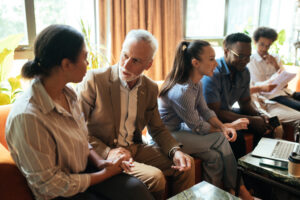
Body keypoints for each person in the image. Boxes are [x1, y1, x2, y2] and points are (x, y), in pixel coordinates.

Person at [5, 24, 153, 200]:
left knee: (137, 190)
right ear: (67, 64)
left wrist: (101, 162)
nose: (88, 64)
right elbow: (50, 186)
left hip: (84, 169)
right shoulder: (28, 117)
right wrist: (106, 174)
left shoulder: (68, 95)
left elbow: (81, 139)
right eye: (84, 58)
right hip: (58, 192)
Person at [77, 29, 194, 199]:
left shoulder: (150, 87)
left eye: (136, 60)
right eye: (125, 55)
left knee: (186, 163)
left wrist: (175, 151)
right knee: (155, 178)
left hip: (136, 148)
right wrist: (108, 152)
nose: (126, 65)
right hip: (104, 152)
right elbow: (76, 128)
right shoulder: (94, 80)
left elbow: (157, 128)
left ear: (148, 65)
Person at [158, 40, 252, 199]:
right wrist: (227, 128)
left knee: (214, 157)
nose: (216, 63)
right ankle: (238, 190)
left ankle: (216, 195)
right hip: (166, 137)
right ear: (195, 63)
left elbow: (206, 111)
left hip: (180, 130)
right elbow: (198, 127)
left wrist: (223, 127)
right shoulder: (182, 91)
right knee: (220, 139)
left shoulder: (196, 84)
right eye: (211, 59)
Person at [202, 33, 272, 159]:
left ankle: (258, 167)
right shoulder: (213, 73)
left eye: (248, 56)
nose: (245, 61)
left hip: (226, 113)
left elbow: (245, 103)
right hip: (208, 119)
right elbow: (214, 112)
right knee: (236, 137)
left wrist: (258, 116)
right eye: (240, 56)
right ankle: (240, 174)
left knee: (264, 126)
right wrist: (251, 120)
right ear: (226, 51)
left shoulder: (244, 72)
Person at [247, 27, 300, 142]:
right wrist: (266, 85)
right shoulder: (249, 61)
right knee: (277, 127)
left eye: (268, 45)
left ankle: (296, 155)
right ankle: (275, 156)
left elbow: (285, 85)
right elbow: (253, 89)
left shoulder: (275, 58)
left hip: (278, 100)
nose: (264, 48)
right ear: (255, 42)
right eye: (262, 44)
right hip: (263, 102)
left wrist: (276, 65)